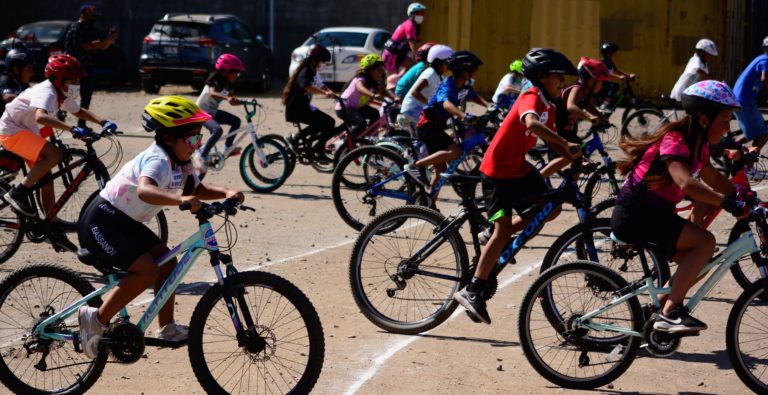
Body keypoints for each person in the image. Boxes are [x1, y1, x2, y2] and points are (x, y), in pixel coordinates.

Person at [77, 96, 244, 358]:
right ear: (168, 139)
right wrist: (180, 200)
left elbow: (197, 189)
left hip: (126, 221)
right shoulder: (158, 160)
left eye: (199, 139)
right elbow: (145, 190)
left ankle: (167, 327)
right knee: (146, 271)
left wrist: (227, 191)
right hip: (103, 220)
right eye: (191, 139)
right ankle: (95, 320)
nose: (197, 145)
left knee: (167, 263)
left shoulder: (183, 162)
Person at [453, 48, 582, 324]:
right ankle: (473, 289)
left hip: (519, 169)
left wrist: (570, 154)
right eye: (558, 78)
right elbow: (531, 123)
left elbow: (550, 137)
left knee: (552, 206)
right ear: (543, 76)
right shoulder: (530, 96)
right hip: (498, 172)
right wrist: (564, 145)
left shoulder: (547, 102)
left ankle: (498, 238)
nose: (562, 83)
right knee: (501, 230)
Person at [612, 80, 743, 332]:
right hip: (636, 214)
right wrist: (726, 202)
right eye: (724, 121)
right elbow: (686, 182)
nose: (728, 128)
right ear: (704, 120)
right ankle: (670, 313)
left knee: (700, 264)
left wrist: (743, 196)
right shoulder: (675, 140)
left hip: (653, 214)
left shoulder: (699, 146)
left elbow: (714, 178)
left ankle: (654, 313)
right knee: (705, 243)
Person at [0, 54, 116, 250]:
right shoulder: (47, 91)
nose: (77, 84)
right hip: (11, 130)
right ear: (58, 79)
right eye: (73, 80)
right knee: (55, 155)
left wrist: (102, 121)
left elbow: (78, 111)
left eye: (78, 80)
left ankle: (49, 223)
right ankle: (18, 193)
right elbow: (41, 117)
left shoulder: (62, 92)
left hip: (26, 130)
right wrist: (72, 129)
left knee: (47, 178)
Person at [405, 51, 489, 196]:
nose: (476, 72)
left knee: (440, 173)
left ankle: (430, 205)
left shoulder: (463, 86)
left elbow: (474, 97)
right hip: (428, 126)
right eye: (474, 69)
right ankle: (417, 165)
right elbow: (446, 104)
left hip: (436, 126)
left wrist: (490, 107)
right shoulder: (448, 85)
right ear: (465, 71)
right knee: (455, 151)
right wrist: (463, 116)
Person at [63, 4, 118, 128]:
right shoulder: (76, 28)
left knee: (86, 96)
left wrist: (110, 39)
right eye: (90, 16)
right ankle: (61, 116)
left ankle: (81, 123)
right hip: (73, 70)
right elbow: (87, 45)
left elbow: (102, 46)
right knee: (70, 95)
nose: (93, 19)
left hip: (86, 68)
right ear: (82, 15)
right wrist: (106, 41)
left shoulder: (91, 29)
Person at [282, 44, 340, 156]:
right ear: (314, 60)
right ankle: (295, 138)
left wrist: (331, 92)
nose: (322, 64)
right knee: (327, 123)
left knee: (327, 123)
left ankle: (317, 149)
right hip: (296, 110)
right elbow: (306, 86)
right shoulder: (305, 71)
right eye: (322, 61)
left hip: (304, 108)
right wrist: (325, 93)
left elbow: (321, 85)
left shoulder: (312, 71)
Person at [193, 54, 246, 171]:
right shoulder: (214, 81)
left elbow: (233, 100)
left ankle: (227, 147)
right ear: (226, 71)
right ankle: (202, 156)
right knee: (217, 130)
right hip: (200, 112)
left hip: (212, 112)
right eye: (236, 72)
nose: (237, 75)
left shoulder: (228, 85)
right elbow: (212, 93)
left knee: (236, 121)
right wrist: (227, 98)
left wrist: (246, 102)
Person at [398, 44, 453, 136]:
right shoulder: (430, 73)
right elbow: (415, 92)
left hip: (420, 107)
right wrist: (430, 103)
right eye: (447, 63)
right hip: (412, 108)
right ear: (438, 62)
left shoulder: (440, 76)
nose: (448, 66)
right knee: (431, 129)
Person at [335, 54, 396, 137]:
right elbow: (360, 88)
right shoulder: (361, 78)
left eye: (382, 69)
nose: (381, 72)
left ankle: (370, 137)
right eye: (379, 70)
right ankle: (348, 145)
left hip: (356, 108)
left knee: (374, 114)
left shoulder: (374, 82)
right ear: (370, 70)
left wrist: (395, 98)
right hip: (344, 108)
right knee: (361, 123)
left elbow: (384, 92)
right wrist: (373, 95)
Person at [555, 57, 610, 144]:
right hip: (557, 130)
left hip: (567, 129)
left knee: (580, 151)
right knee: (579, 153)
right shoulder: (577, 88)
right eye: (601, 82)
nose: (602, 85)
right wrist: (589, 117)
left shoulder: (584, 91)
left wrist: (601, 117)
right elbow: (571, 106)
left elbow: (586, 105)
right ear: (592, 80)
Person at [733, 36, 768, 149]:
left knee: (754, 133)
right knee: (763, 134)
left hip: (742, 99)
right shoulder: (765, 60)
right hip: (744, 101)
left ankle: (729, 149)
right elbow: (764, 78)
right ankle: (748, 164)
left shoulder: (761, 59)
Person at [382, 2, 427, 75]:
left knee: (413, 67)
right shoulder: (410, 25)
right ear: (412, 14)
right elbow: (412, 44)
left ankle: (402, 82)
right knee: (390, 77)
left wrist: (422, 55)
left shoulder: (417, 27)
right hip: (391, 53)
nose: (421, 16)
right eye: (419, 13)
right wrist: (418, 57)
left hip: (400, 52)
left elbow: (418, 44)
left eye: (422, 13)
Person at [597, 42, 636, 111]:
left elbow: (617, 70)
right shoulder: (602, 63)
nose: (616, 56)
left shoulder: (610, 63)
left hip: (606, 84)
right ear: (608, 55)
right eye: (614, 54)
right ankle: (604, 105)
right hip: (600, 84)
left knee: (615, 88)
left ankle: (609, 103)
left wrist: (628, 75)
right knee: (614, 86)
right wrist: (618, 77)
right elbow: (606, 73)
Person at [0, 49, 34, 114]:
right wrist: (35, 102)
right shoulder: (4, 79)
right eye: (29, 68)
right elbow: (8, 97)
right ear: (16, 70)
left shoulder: (23, 83)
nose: (32, 73)